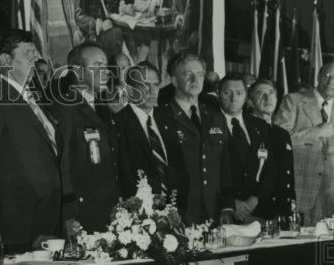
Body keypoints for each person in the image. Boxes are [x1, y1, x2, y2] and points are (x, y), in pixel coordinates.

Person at [0, 30, 61, 252]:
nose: (35, 59)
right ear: (6, 60)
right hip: (18, 225)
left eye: (35, 53)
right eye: (28, 53)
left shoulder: (31, 97)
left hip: (43, 218)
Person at [154, 54, 235, 224]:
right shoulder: (161, 117)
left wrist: (227, 206)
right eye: (187, 74)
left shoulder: (216, 116)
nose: (195, 79)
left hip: (213, 212)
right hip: (179, 213)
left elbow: (225, 165)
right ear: (175, 81)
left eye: (199, 74)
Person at [52, 42, 120, 233]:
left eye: (106, 66)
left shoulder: (103, 107)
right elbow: (63, 164)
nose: (106, 72)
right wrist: (68, 212)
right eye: (98, 66)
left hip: (108, 210)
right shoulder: (65, 109)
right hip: (83, 213)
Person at [273, 61, 334, 225]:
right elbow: (279, 141)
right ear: (318, 76)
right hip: (299, 189)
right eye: (327, 76)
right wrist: (316, 132)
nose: (331, 82)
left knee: (323, 247)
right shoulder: (294, 101)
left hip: (329, 194)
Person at [115, 62, 179, 198]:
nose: (152, 91)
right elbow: (122, 176)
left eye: (156, 85)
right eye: (145, 85)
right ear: (131, 90)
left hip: (173, 209)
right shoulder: (118, 124)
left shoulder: (167, 118)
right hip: (138, 211)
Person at [218, 75, 275, 222]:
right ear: (218, 94)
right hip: (223, 211)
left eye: (239, 93)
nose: (233, 98)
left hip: (257, 210)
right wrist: (230, 203)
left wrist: (255, 199)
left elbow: (270, 168)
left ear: (246, 97)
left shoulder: (260, 125)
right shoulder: (209, 124)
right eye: (227, 93)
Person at [247, 78, 296, 218]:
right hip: (255, 207)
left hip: (281, 207)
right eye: (260, 93)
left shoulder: (282, 133)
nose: (267, 98)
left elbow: (287, 173)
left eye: (271, 93)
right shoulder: (245, 129)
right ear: (250, 100)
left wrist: (291, 202)